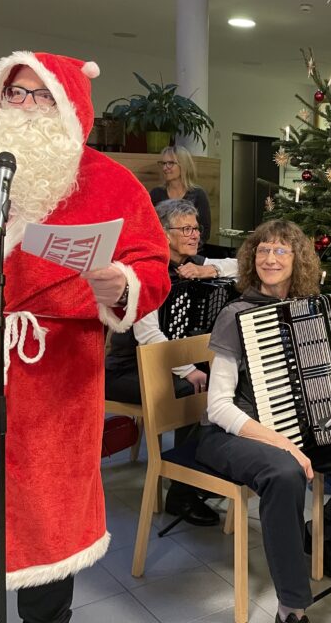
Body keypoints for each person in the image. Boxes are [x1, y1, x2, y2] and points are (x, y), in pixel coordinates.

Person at [0, 51, 171, 622]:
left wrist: (123, 282)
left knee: (49, 512)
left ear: (69, 106)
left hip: (59, 373)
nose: (26, 106)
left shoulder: (110, 181)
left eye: (42, 95)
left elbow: (153, 265)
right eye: (14, 93)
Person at [197, 219, 331, 623]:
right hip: (233, 434)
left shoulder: (314, 309)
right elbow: (217, 406)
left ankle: (321, 540)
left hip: (303, 431)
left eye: (280, 250)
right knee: (285, 474)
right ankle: (292, 604)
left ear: (297, 259)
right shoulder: (236, 314)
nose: (270, 258)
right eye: (263, 250)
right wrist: (282, 444)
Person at [105, 199, 238, 527]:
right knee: (193, 390)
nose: (195, 235)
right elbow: (149, 336)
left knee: (222, 384)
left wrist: (210, 269)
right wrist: (188, 370)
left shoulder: (192, 262)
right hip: (127, 368)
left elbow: (241, 265)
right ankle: (181, 491)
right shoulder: (145, 271)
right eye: (186, 229)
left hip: (167, 361)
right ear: (164, 234)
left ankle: (198, 473)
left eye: (196, 228)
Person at [150, 145, 212, 244]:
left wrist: (188, 247)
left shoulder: (198, 194)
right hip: (162, 248)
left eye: (170, 163)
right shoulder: (156, 194)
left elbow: (205, 232)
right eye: (163, 163)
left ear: (183, 165)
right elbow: (149, 227)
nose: (165, 168)